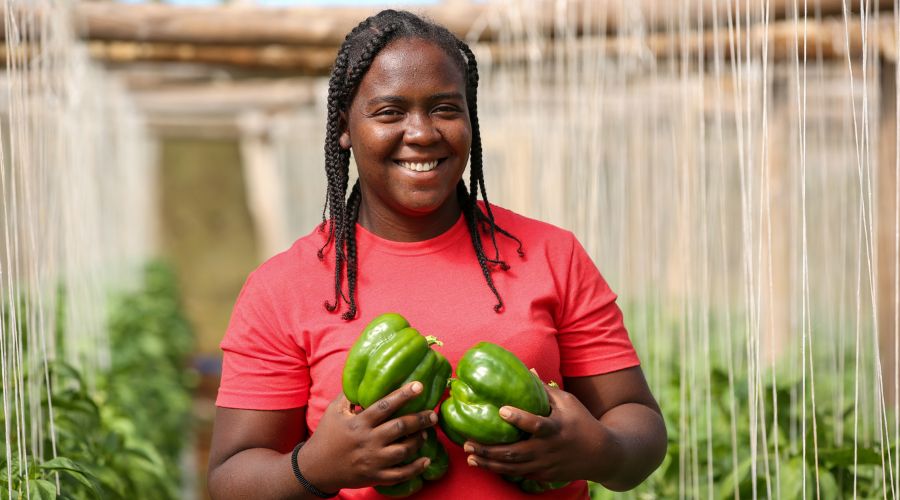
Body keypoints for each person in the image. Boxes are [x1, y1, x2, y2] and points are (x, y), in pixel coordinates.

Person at [207, 9, 667, 500]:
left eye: (446, 108)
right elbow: (230, 477)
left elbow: (640, 424)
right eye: (389, 112)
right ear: (344, 128)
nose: (422, 133)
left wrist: (599, 450)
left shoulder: (552, 255)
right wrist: (317, 467)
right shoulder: (284, 287)